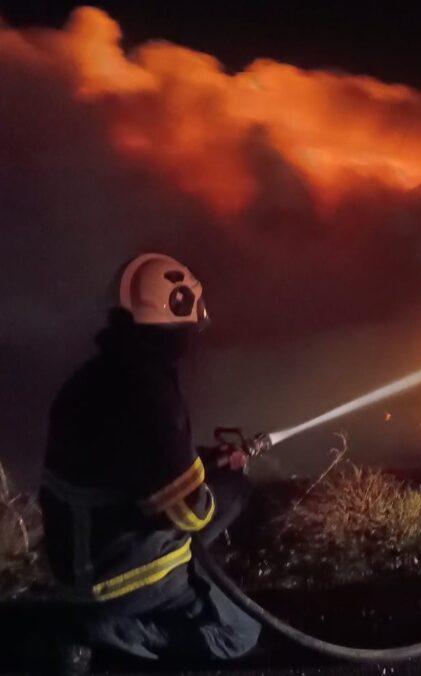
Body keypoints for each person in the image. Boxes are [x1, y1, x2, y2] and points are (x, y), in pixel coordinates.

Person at [39, 253, 261, 669]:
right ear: (175, 317)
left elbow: (136, 468)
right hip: (116, 574)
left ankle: (105, 615)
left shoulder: (93, 378)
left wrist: (204, 464)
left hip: (77, 560)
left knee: (225, 490)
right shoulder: (149, 395)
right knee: (239, 633)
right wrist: (224, 480)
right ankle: (112, 631)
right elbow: (189, 513)